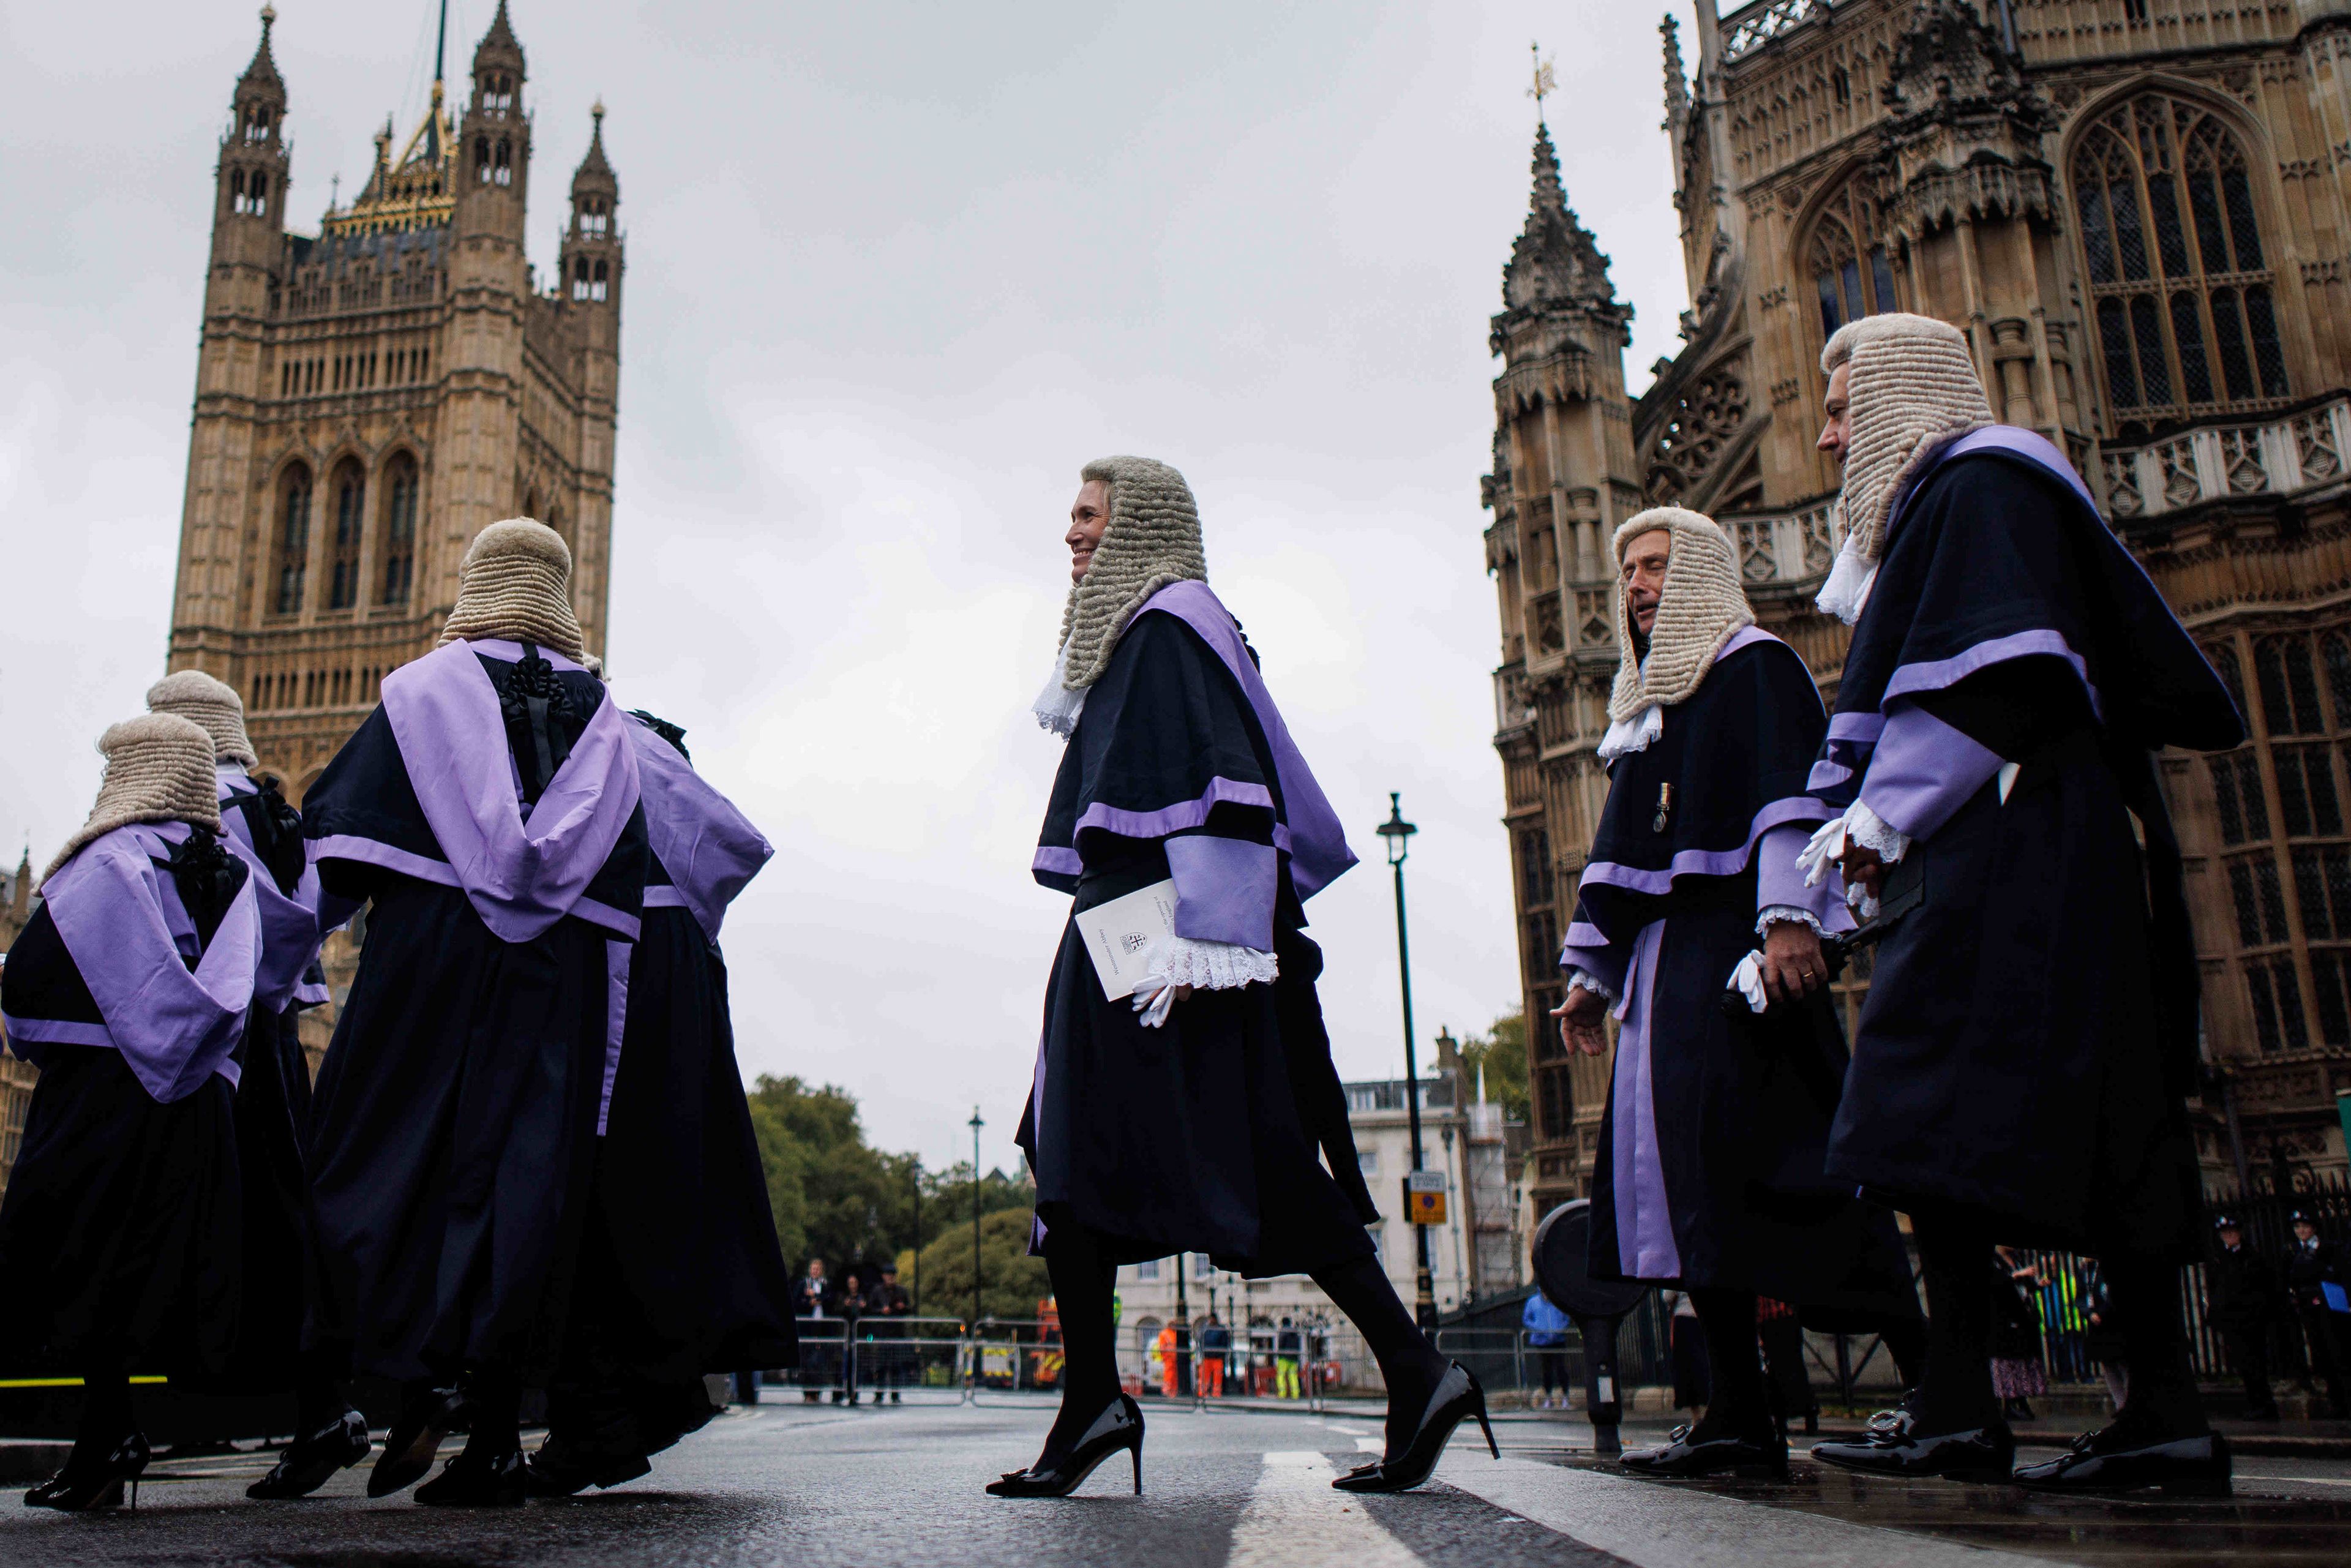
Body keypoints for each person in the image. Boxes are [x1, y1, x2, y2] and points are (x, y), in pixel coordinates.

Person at [1794, 314, 2244, 1495]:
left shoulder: (1983, 482)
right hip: (2027, 841)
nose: (1829, 434)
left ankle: (2085, 1411)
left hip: (2022, 845)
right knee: (2090, 1120)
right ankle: (2088, 1410)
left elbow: (1987, 677)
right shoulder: (1964, 498)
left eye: (1844, 408)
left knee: (1922, 1108)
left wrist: (1877, 814)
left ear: (1898, 394)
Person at [999, 456, 1491, 1499]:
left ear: (1140, 524)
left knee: (1234, 1161)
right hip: (1136, 937)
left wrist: (1203, 944)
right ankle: (1099, 1395)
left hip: (1167, 950)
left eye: (1089, 516)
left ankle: (1414, 1370)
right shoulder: (1155, 631)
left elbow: (1223, 790)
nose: (1074, 536)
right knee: (1082, 1153)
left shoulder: (1172, 626)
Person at [1551, 506, 1922, 1479]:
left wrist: (1789, 916)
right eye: (1628, 569)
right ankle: (1739, 1411)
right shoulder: (1651, 707)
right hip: (1667, 974)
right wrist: (1592, 975)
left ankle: (1936, 1389)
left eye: (1656, 566)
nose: (1634, 584)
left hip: (1743, 956)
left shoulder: (1758, 665)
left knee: (1801, 1178)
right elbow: (1621, 851)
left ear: (1705, 572)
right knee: (1691, 1194)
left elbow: (1791, 798)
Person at [299, 519, 651, 1506]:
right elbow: (627, 882)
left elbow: (338, 850)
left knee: (388, 1165)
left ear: (476, 586)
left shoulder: (423, 691)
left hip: (431, 966)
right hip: (555, 980)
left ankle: (410, 1382)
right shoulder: (603, 716)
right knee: (524, 1192)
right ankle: (494, 1434)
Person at [527, 705, 798, 1494]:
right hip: (674, 964)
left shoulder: (570, 725)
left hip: (613, 961)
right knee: (665, 1179)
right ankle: (663, 1390)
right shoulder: (639, 741)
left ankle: (604, 1420)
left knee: (586, 1190)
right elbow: (726, 849)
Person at [0, 714, 261, 1511]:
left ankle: (105, 1436)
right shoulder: (223, 871)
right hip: (191, 1103)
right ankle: (113, 1438)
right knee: (143, 1273)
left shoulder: (107, 862)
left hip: (100, 1100)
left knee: (74, 1265)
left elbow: (31, 979)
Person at [141, 672, 367, 1499]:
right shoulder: (269, 808)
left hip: (208, 1043)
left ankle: (119, 1434)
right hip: (264, 1041)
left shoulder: (212, 810)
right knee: (277, 1224)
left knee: (194, 1222)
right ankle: (318, 1409)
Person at [2208, 1215, 2280, 1420]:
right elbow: (2217, 1289)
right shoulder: (2220, 1258)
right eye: (2224, 1233)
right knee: (2243, 1364)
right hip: (2231, 1321)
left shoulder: (2251, 1257)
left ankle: (2264, 1404)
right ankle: (2255, 1403)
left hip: (2250, 1320)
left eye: (2231, 1232)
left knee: (2255, 1364)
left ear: (2240, 1233)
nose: (2228, 1237)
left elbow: (2261, 1289)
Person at [2284, 1212, 2349, 1417]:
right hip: (2308, 1308)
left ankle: (2344, 1400)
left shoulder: (2328, 1248)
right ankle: (2334, 1398)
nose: (2301, 1231)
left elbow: (2339, 1275)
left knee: (2337, 1352)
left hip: (2328, 1306)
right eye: (2297, 1228)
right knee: (2320, 1353)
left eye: (2304, 1226)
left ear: (2313, 1228)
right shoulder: (2293, 1251)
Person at [1989, 1249, 2047, 1424]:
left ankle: (2021, 1401)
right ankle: (2009, 1405)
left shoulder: (2017, 1258)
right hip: (2003, 1323)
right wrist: (2017, 1275)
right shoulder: (1993, 1260)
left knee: (2022, 1363)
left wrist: (2037, 1284)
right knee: (2007, 1365)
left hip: (2023, 1319)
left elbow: (2024, 1285)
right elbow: (1994, 1284)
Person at [1757, 1297, 1817, 1438]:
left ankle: (1805, 1413)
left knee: (1789, 1370)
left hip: (1782, 1319)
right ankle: (1788, 1418)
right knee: (1780, 1372)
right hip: (1774, 1320)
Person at [863, 1262, 912, 1405]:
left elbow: (910, 1308)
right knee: (880, 1364)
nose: (890, 1278)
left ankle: (895, 1394)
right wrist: (881, 1311)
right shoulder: (877, 1291)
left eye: (892, 1276)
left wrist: (903, 1308)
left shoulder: (901, 1291)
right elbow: (870, 1308)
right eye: (888, 1276)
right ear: (884, 1277)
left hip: (897, 1333)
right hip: (882, 1333)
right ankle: (879, 1394)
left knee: (896, 1364)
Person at [793, 1259, 839, 1403]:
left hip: (822, 1328)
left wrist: (817, 1297)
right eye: (813, 1269)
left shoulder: (826, 1284)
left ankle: (817, 1392)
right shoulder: (803, 1284)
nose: (815, 1271)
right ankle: (807, 1393)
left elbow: (832, 1300)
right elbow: (796, 1302)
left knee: (820, 1361)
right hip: (807, 1327)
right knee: (805, 1361)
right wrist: (809, 1302)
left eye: (818, 1269)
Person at [1522, 1289, 1572, 1412]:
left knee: (1561, 1369)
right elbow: (1526, 1319)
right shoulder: (1533, 1302)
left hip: (1558, 1339)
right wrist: (1538, 1328)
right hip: (1542, 1341)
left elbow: (1567, 1317)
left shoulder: (1558, 1301)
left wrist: (1560, 1328)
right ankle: (1548, 1398)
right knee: (1546, 1370)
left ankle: (1565, 1397)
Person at [1198, 1315, 1229, 1398]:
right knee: (1206, 1377)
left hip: (1215, 1357)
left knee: (1216, 1377)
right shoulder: (1208, 1330)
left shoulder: (1206, 1330)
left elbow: (1201, 1342)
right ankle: (1207, 1393)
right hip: (1209, 1357)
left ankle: (1214, 1393)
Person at [1275, 1317, 1302, 1399]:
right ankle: (1295, 1394)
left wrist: (1279, 1354)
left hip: (1284, 1357)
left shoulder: (1283, 1331)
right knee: (1293, 1376)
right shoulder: (1295, 1332)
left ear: (1282, 1323)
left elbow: (1281, 1343)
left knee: (1281, 1375)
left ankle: (1282, 1394)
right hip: (1294, 1357)